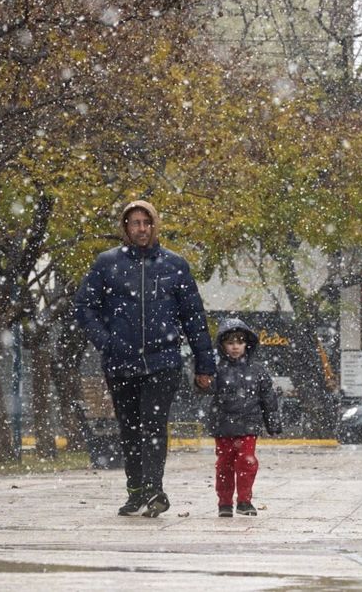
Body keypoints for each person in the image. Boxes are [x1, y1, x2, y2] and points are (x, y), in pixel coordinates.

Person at [73, 200, 216, 518]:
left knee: (154, 425)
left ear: (155, 225)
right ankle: (135, 490)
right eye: (135, 222)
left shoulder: (175, 265)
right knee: (129, 428)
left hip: (163, 361)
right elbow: (84, 307)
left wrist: (204, 365)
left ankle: (154, 489)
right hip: (121, 362)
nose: (141, 228)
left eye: (146, 222)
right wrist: (106, 342)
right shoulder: (107, 263)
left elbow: (193, 318)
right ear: (125, 227)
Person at [206, 318, 281, 518]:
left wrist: (272, 422)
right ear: (223, 345)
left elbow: (268, 398)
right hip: (224, 426)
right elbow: (205, 390)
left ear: (247, 344)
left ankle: (244, 501)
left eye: (239, 342)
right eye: (230, 343)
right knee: (224, 465)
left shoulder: (257, 370)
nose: (235, 347)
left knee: (247, 463)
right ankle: (224, 502)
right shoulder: (217, 370)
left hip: (248, 425)